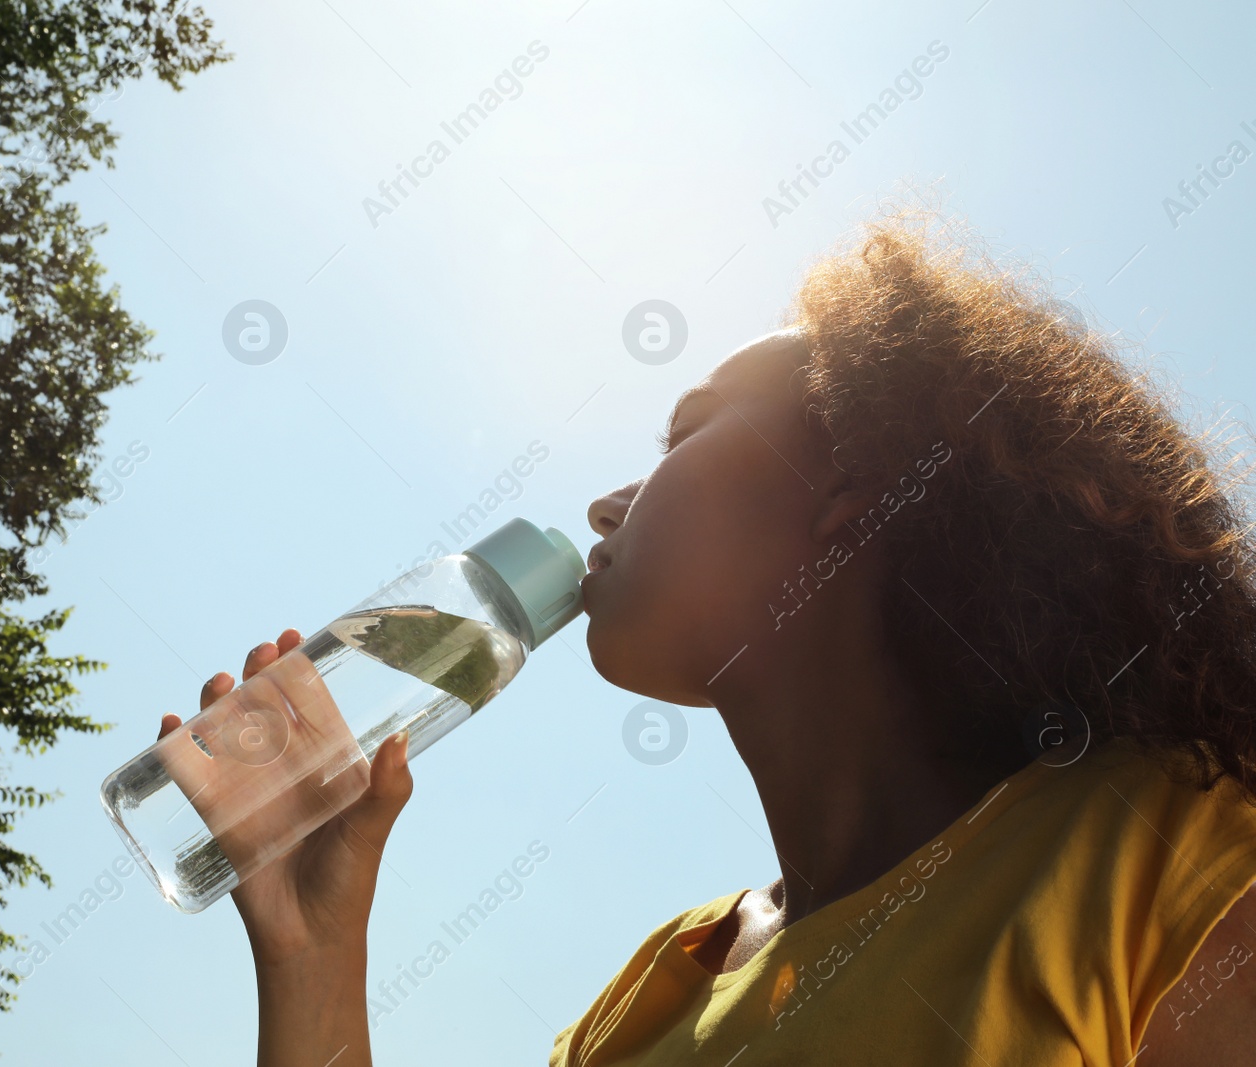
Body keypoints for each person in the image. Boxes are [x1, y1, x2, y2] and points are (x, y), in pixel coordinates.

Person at [158, 211, 1256, 1065]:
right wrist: (314, 947)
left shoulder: (1163, 845)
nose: (604, 505)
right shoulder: (657, 989)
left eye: (683, 430)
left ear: (849, 490)